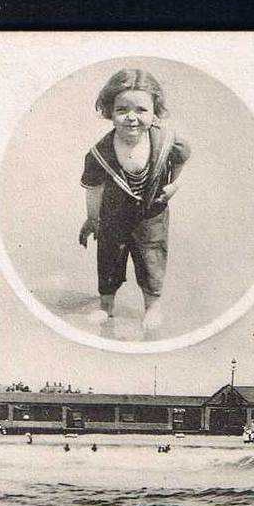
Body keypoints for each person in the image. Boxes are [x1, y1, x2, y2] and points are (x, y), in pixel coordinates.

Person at [78, 69, 191, 330]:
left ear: (155, 112)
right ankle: (106, 306)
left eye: (141, 110)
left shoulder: (167, 142)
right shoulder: (99, 153)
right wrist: (92, 218)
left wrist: (174, 185)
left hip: (152, 213)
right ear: (109, 111)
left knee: (152, 256)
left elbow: (182, 161)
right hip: (113, 215)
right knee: (108, 257)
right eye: (122, 109)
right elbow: (93, 188)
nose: (132, 117)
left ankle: (152, 307)